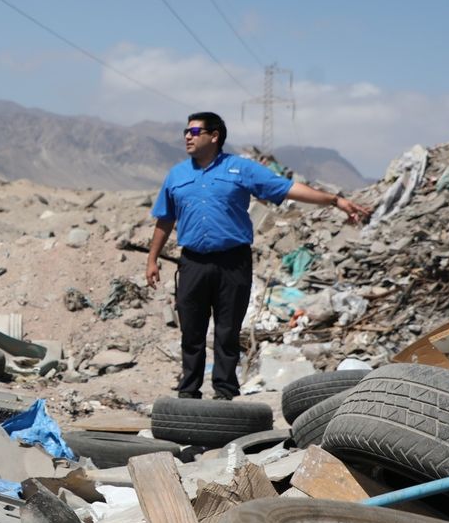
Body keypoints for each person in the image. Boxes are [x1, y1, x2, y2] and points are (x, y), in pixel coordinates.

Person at [146, 111, 371, 400]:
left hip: (233, 262)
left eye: (195, 131)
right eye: (186, 131)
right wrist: (152, 259)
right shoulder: (177, 175)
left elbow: (287, 188)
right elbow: (165, 219)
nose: (187, 136)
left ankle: (225, 393)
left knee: (227, 331)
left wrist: (334, 200)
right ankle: (188, 393)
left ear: (214, 136)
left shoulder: (241, 169)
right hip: (193, 262)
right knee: (192, 331)